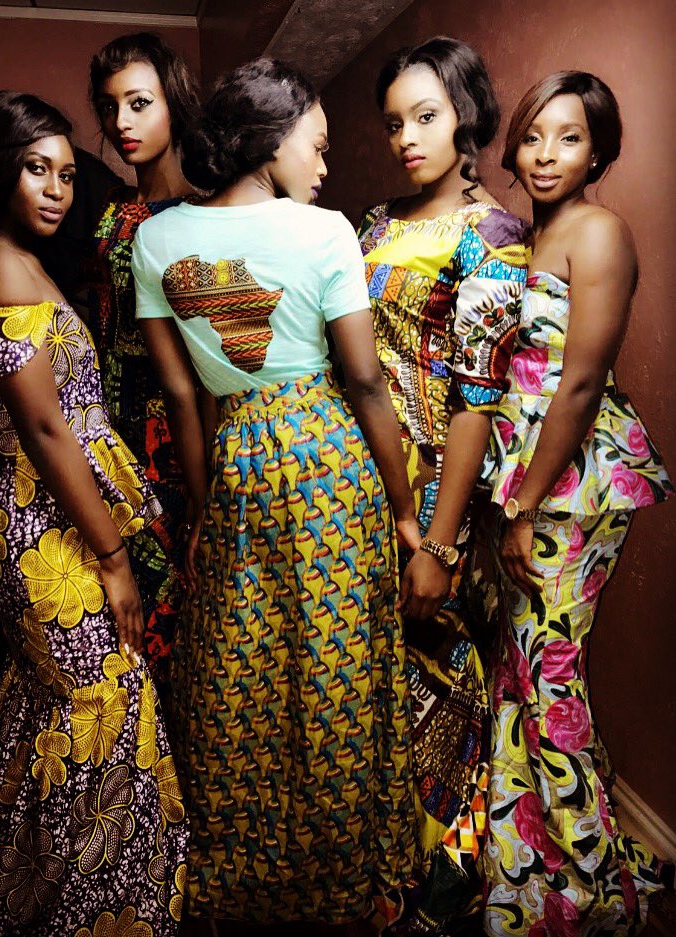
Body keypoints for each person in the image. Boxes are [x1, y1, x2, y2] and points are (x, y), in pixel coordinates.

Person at [132, 57, 426, 926]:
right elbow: (365, 383)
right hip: (328, 458)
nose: (325, 165)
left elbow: (183, 393)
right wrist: (403, 510)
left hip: (235, 459)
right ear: (271, 141)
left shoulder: (155, 240)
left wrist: (201, 506)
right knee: (335, 666)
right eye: (318, 145)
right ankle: (340, 874)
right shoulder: (325, 231)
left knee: (239, 667)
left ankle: (250, 871)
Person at [0, 90, 188, 935]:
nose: (55, 188)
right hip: (24, 517)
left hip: (47, 510)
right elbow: (45, 428)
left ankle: (2, 897)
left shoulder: (23, 259)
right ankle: (82, 911)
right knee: (103, 691)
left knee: (46, 701)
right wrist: (114, 559)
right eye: (33, 169)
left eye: (65, 172)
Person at [482, 71, 673, 936]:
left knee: (548, 675)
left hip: (571, 486)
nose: (546, 154)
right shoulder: (534, 233)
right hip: (530, 480)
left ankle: (592, 888)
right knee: (525, 672)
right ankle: (539, 868)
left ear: (599, 152)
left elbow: (583, 382)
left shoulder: (598, 231)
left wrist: (524, 507)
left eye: (569, 137)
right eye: (533, 136)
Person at [357, 36, 529, 933]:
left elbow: (476, 396)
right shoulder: (374, 224)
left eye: (424, 116)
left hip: (437, 491)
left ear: (463, 113)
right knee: (378, 683)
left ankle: (442, 891)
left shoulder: (493, 234)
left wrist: (441, 537)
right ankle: (382, 873)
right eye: (394, 123)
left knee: (445, 685)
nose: (406, 139)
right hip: (363, 483)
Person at [87, 33, 200, 679]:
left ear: (173, 104)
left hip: (170, 440)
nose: (121, 123)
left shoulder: (198, 214)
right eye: (109, 107)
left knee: (170, 620)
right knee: (117, 621)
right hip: (111, 429)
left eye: (138, 103)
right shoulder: (112, 211)